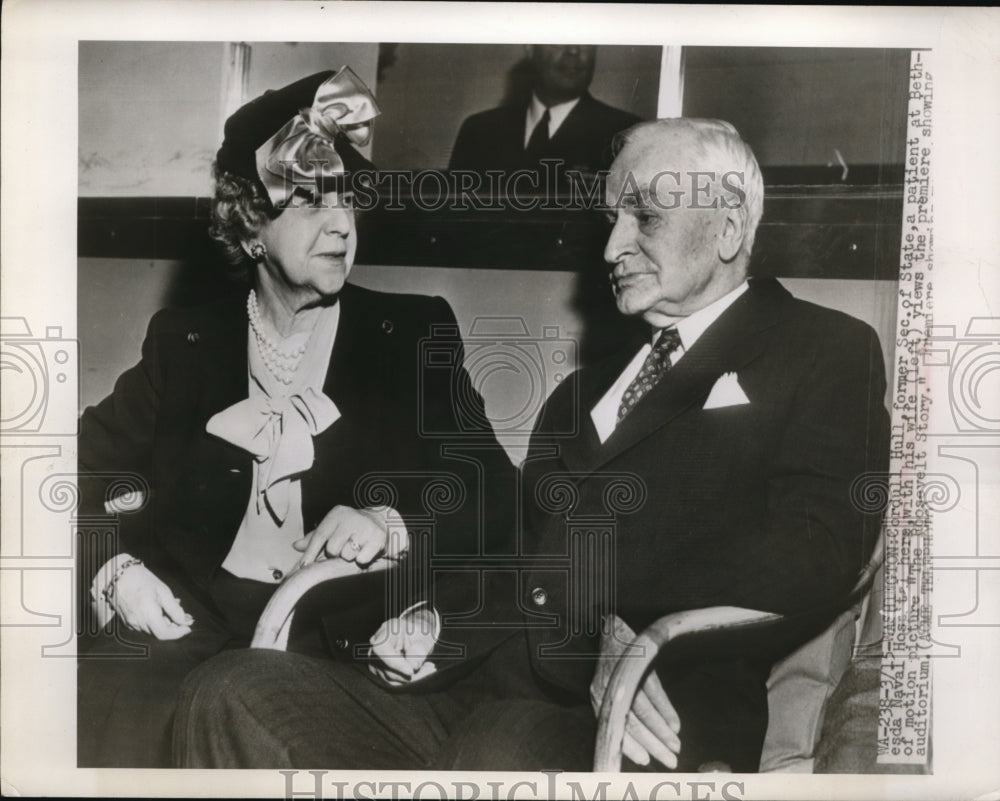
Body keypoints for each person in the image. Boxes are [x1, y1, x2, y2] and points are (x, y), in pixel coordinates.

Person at [175, 118, 890, 772]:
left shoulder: (825, 351)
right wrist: (437, 622)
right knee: (232, 689)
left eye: (644, 216)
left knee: (501, 745)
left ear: (728, 227)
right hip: (480, 686)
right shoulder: (583, 392)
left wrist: (626, 617)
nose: (610, 248)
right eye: (610, 219)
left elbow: (818, 547)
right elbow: (517, 547)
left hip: (646, 711)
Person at [76, 67, 515, 768]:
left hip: (338, 646)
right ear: (250, 225)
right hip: (190, 624)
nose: (342, 224)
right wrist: (114, 569)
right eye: (311, 201)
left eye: (348, 199)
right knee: (95, 692)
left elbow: (495, 493)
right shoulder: (184, 341)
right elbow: (67, 472)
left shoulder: (410, 334)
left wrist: (392, 524)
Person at [448, 45, 642, 178]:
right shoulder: (479, 131)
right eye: (559, 37)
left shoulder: (628, 134)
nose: (574, 50)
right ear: (530, 47)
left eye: (585, 39)